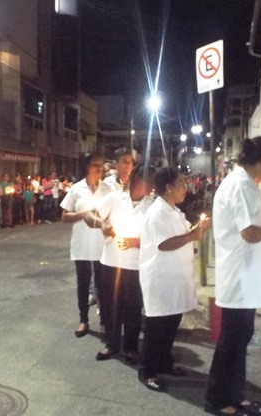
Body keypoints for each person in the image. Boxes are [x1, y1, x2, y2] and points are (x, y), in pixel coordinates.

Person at [204, 136, 261, 416]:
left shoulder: (246, 184)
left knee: (240, 339)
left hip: (245, 277)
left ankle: (235, 395)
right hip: (239, 276)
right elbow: (249, 233)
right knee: (232, 341)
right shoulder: (240, 185)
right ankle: (217, 399)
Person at [138, 167, 209, 391]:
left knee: (170, 325)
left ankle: (164, 363)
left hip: (175, 278)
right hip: (161, 278)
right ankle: (147, 371)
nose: (185, 189)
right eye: (181, 184)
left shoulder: (174, 211)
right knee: (156, 328)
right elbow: (164, 243)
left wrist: (198, 228)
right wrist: (192, 235)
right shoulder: (157, 212)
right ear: (168, 188)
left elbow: (185, 233)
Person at [86, 163, 155, 365]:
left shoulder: (152, 205)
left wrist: (137, 242)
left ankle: (131, 347)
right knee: (111, 306)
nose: (153, 185)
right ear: (137, 179)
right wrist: (102, 223)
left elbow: (157, 237)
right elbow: (89, 214)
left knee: (133, 308)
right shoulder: (115, 198)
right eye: (149, 180)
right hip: (111, 263)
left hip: (136, 266)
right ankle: (112, 343)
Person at [60, 153, 107, 337]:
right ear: (87, 167)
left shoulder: (108, 189)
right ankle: (83, 320)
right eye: (95, 164)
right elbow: (64, 217)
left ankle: (104, 320)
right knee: (83, 283)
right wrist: (83, 214)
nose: (99, 168)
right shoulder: (76, 189)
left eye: (101, 165)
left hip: (102, 244)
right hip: (81, 244)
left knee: (103, 284)